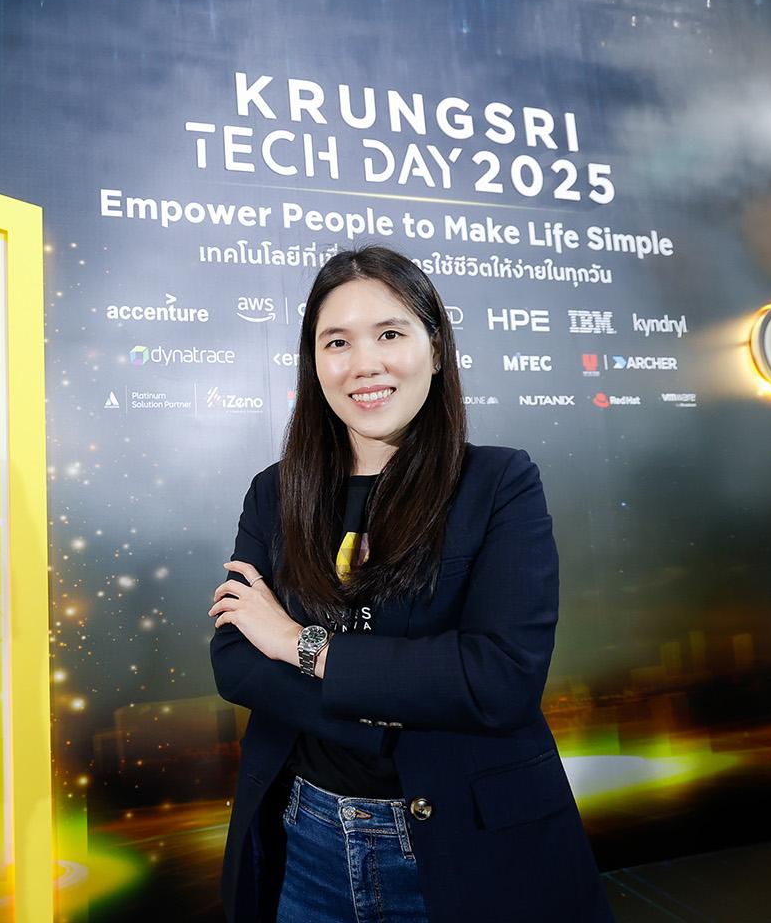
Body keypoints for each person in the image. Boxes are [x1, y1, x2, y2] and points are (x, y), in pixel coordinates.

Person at [208, 246, 612, 923]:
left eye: (390, 334)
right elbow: (235, 661)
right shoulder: (274, 493)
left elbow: (498, 678)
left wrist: (299, 644)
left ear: (436, 349)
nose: (364, 363)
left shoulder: (498, 483)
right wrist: (383, 718)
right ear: (314, 363)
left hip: (468, 845)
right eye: (337, 342)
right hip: (304, 841)